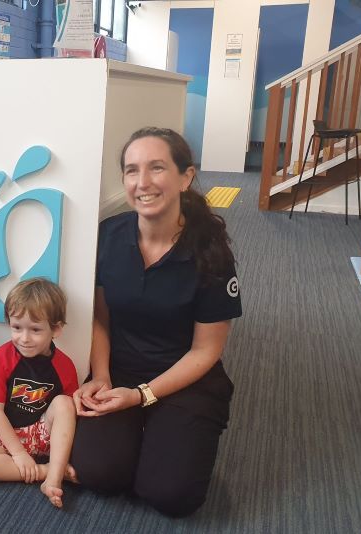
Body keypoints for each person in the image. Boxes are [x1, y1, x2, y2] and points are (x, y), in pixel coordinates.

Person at [70, 127, 242, 517]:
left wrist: (143, 396)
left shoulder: (210, 253)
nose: (142, 182)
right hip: (121, 369)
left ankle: (164, 434)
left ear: (186, 177)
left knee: (170, 495)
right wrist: (101, 376)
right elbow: (100, 318)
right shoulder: (108, 237)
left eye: (156, 168)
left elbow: (206, 351)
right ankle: (143, 437)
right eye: (132, 171)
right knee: (100, 473)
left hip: (186, 376)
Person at [0, 278, 79, 508]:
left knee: (65, 403)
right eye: (17, 328)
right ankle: (43, 471)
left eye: (35, 330)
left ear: (55, 329)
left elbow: (69, 414)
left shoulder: (64, 365)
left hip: (40, 432)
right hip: (4, 434)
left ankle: (54, 480)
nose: (24, 338)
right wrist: (18, 453)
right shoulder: (1, 357)